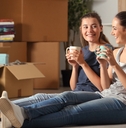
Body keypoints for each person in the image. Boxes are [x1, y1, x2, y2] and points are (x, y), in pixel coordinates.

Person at [0, 11, 117, 128]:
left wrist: (83, 63)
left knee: (63, 98)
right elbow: (73, 87)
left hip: (95, 95)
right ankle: (5, 107)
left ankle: (21, 114)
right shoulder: (84, 50)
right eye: (85, 27)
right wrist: (75, 66)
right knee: (40, 96)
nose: (90, 30)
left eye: (94, 26)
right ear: (81, 29)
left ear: (101, 28)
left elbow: (103, 88)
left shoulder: (106, 49)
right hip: (77, 92)